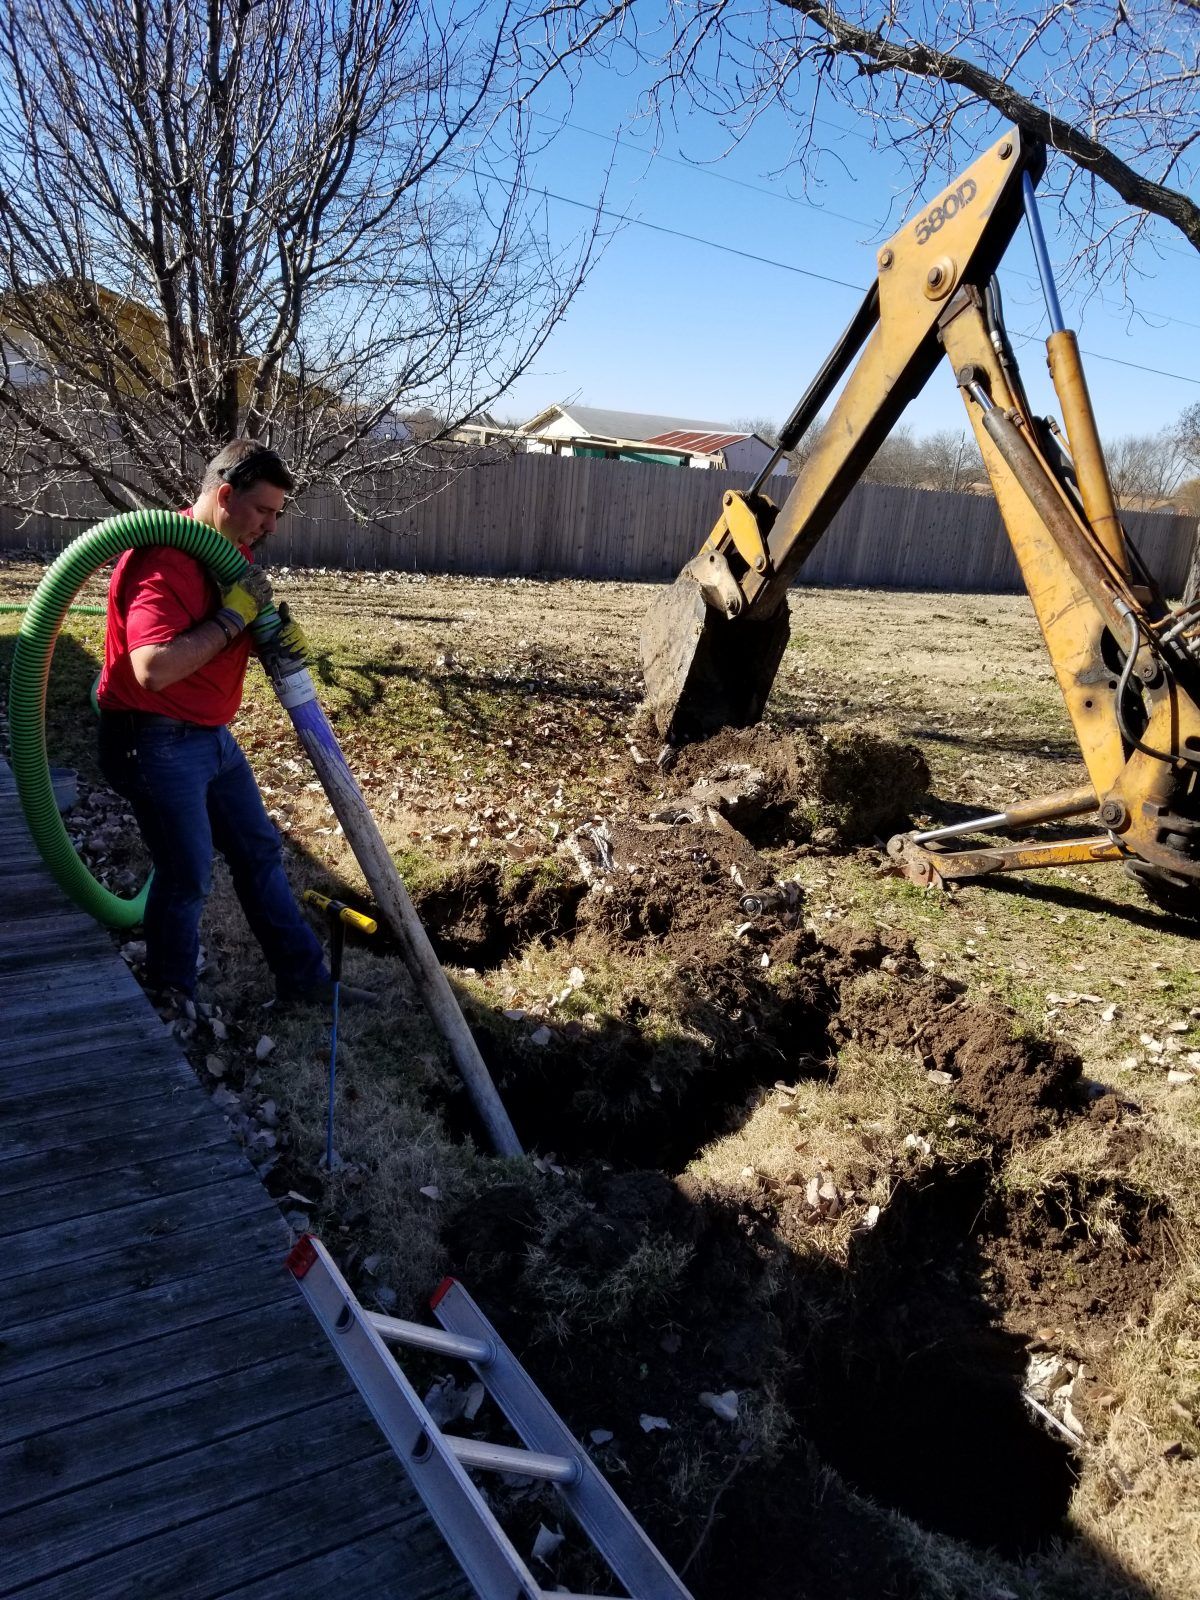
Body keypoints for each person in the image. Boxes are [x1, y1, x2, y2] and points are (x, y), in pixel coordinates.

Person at [97, 439, 354, 1011]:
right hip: (153, 736)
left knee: (260, 853)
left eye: (277, 515)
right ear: (225, 495)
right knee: (187, 875)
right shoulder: (165, 559)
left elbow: (231, 627)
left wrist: (273, 636)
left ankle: (306, 982)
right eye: (263, 511)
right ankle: (171, 994)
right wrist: (236, 614)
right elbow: (153, 669)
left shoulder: (229, 553)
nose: (271, 527)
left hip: (209, 735)